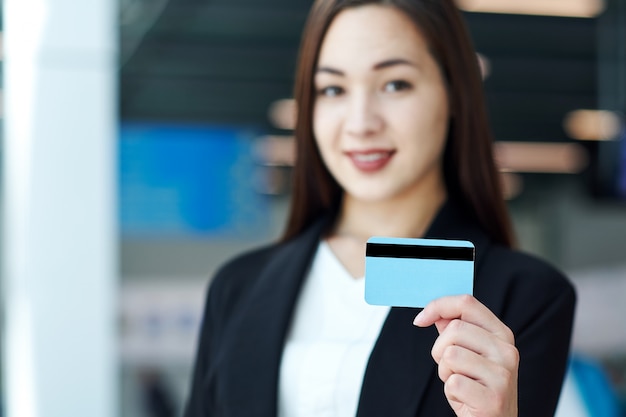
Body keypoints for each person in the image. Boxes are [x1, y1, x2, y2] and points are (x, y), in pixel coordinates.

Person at [183, 0, 576, 416]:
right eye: (333, 89)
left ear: (455, 93)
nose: (360, 122)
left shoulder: (524, 297)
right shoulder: (238, 287)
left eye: (395, 84)